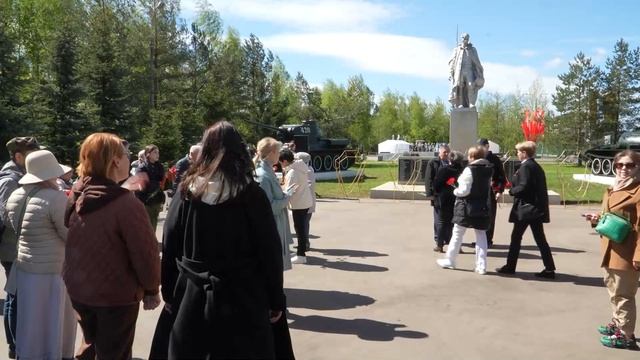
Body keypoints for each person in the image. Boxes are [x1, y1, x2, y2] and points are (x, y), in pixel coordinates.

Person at [157, 121, 287, 359]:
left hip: (192, 298)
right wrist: (275, 299)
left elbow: (170, 243)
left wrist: (169, 292)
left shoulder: (187, 192)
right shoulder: (251, 194)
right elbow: (270, 251)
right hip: (243, 300)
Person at [64, 133, 161, 359]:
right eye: (126, 155)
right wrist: (152, 289)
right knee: (114, 352)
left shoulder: (78, 192)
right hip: (116, 296)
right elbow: (145, 253)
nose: (129, 160)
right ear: (116, 161)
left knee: (90, 345)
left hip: (79, 289)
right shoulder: (126, 204)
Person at [5, 150, 76, 359]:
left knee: (30, 321)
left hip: (26, 268)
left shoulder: (15, 195)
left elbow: (13, 225)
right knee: (53, 321)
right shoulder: (54, 198)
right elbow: (69, 236)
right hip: (52, 271)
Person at [586, 150, 640, 349]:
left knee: (624, 295)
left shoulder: (638, 191)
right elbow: (608, 216)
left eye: (629, 165)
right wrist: (596, 220)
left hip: (627, 253)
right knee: (614, 291)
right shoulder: (612, 188)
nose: (624, 169)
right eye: (620, 165)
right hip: (609, 249)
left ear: (638, 167)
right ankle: (618, 323)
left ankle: (626, 336)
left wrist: (638, 255)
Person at [0, 136, 40, 359]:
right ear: (18, 156)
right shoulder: (10, 179)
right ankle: (15, 345)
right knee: (14, 296)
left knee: (18, 295)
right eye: (31, 153)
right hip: (11, 247)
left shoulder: (21, 176)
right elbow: (6, 215)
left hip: (17, 246)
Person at [496, 141, 556, 278]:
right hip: (533, 209)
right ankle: (549, 268)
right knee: (540, 239)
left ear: (524, 153)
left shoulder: (527, 167)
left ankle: (510, 266)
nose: (517, 154)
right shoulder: (534, 166)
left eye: (518, 151)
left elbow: (524, 186)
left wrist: (512, 191)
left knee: (516, 238)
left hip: (527, 209)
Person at [436, 146, 493, 274]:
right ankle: (481, 265)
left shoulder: (469, 170)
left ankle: (450, 259)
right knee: (481, 235)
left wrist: (455, 190)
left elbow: (464, 191)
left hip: (466, 206)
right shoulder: (488, 170)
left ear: (472, 157)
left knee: (457, 233)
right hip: (482, 205)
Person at [255, 137, 293, 271]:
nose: (279, 155)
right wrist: (287, 197)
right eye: (278, 152)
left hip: (276, 224)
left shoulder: (268, 172)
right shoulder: (263, 176)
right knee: (272, 267)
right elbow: (269, 207)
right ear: (271, 153)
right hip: (272, 226)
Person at [280, 148, 313, 264]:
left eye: (281, 162)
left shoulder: (293, 172)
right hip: (304, 202)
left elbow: (289, 190)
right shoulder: (300, 167)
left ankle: (301, 254)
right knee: (302, 228)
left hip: (299, 203)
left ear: (284, 161)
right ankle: (301, 251)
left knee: (299, 230)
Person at [432, 151, 465, 253]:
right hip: (458, 199)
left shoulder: (444, 170)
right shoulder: (463, 170)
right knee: (455, 224)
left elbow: (436, 184)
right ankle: (456, 246)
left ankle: (440, 245)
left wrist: (437, 193)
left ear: (450, 159)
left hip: (444, 199)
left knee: (442, 222)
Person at [478, 138, 507, 247]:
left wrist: (499, 190)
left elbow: (501, 177)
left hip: (491, 191)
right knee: (479, 215)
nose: (481, 149)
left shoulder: (494, 159)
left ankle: (488, 240)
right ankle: (481, 239)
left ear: (487, 147)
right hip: (479, 191)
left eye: (482, 147)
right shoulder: (477, 158)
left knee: (490, 215)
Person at [425, 144, 450, 252]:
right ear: (439, 152)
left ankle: (447, 238)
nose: (447, 154)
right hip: (438, 196)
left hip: (449, 196)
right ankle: (438, 239)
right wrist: (430, 194)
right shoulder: (433, 163)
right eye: (445, 152)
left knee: (449, 220)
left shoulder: (451, 163)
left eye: (448, 152)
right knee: (438, 220)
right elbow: (428, 179)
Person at [448, 32, 484, 108]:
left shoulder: (472, 50)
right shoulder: (457, 49)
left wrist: (479, 71)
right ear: (461, 39)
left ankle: (471, 103)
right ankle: (460, 103)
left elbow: (477, 61)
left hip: (469, 70)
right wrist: (451, 72)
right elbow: (452, 61)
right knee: (460, 86)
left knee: (471, 85)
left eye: (467, 39)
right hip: (459, 71)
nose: (465, 40)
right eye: (464, 38)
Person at [136, 144, 166, 230]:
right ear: (148, 154)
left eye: (158, 152)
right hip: (146, 200)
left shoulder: (159, 166)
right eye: (155, 152)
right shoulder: (142, 167)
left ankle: (152, 241)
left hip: (156, 199)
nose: (157, 155)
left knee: (154, 222)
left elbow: (161, 180)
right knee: (145, 224)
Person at [295, 151, 316, 247]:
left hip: (306, 201)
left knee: (304, 223)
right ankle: (304, 241)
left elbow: (308, 184)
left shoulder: (308, 170)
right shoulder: (305, 169)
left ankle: (305, 242)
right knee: (302, 223)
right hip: (304, 201)